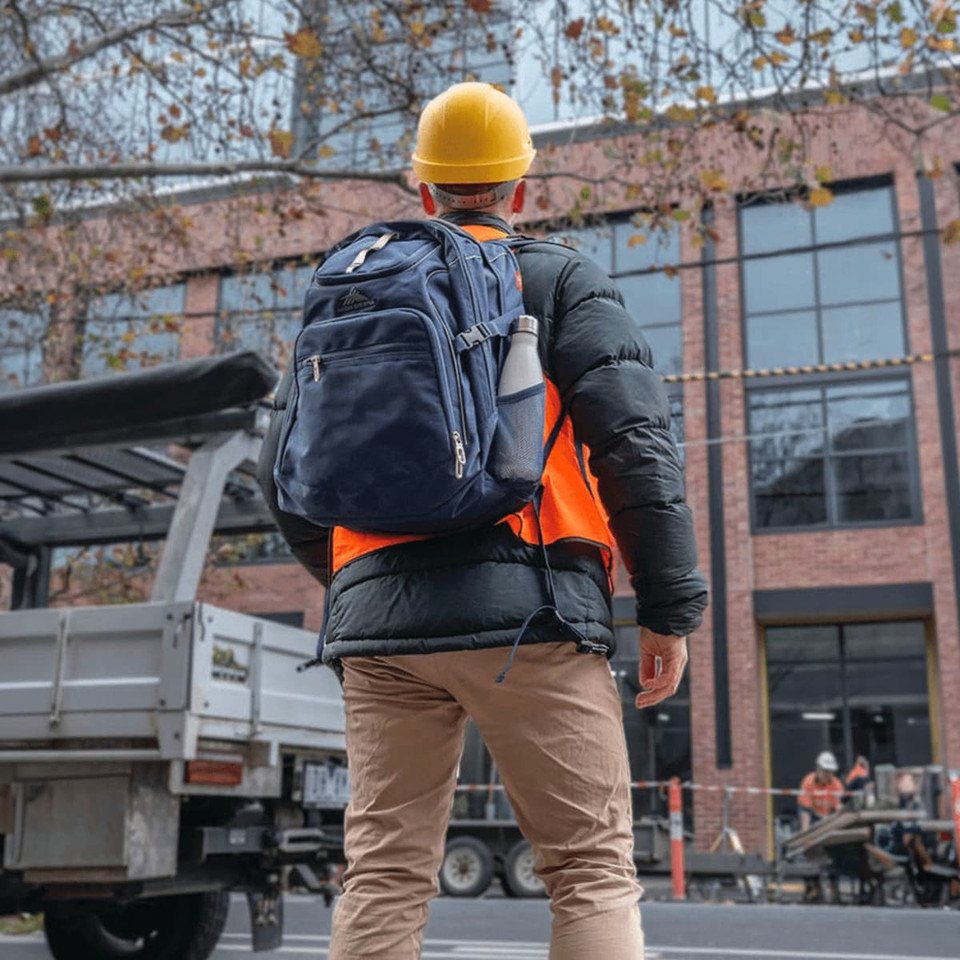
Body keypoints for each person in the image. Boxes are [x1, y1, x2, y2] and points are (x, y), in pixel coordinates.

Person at [260, 82, 707, 960]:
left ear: (423, 190)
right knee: (587, 871)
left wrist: (359, 585)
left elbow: (283, 479)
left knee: (384, 874)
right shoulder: (557, 277)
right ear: (522, 189)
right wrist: (668, 609)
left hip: (379, 640)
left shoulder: (350, 288)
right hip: (532, 615)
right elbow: (636, 448)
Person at [797, 750, 845, 832]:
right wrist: (805, 834)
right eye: (825, 771)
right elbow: (805, 811)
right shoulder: (808, 782)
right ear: (818, 769)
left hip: (828, 815)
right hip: (812, 815)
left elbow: (838, 808)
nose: (828, 775)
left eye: (830, 771)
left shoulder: (837, 785)